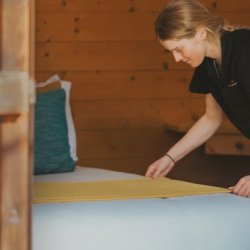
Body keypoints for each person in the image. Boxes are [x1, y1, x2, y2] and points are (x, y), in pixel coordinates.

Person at [145, 0, 250, 198]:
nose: (176, 59)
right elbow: (212, 119)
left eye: (179, 48)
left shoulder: (245, 49)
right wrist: (170, 158)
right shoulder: (207, 66)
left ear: (201, 33)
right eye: (171, 52)